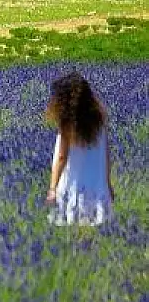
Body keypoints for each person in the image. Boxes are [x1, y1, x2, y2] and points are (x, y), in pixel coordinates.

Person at [44, 72, 114, 227]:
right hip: (97, 187)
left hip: (73, 188)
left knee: (71, 235)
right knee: (96, 233)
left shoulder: (67, 125)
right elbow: (106, 156)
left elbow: (61, 157)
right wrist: (108, 184)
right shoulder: (100, 122)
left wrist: (53, 189)